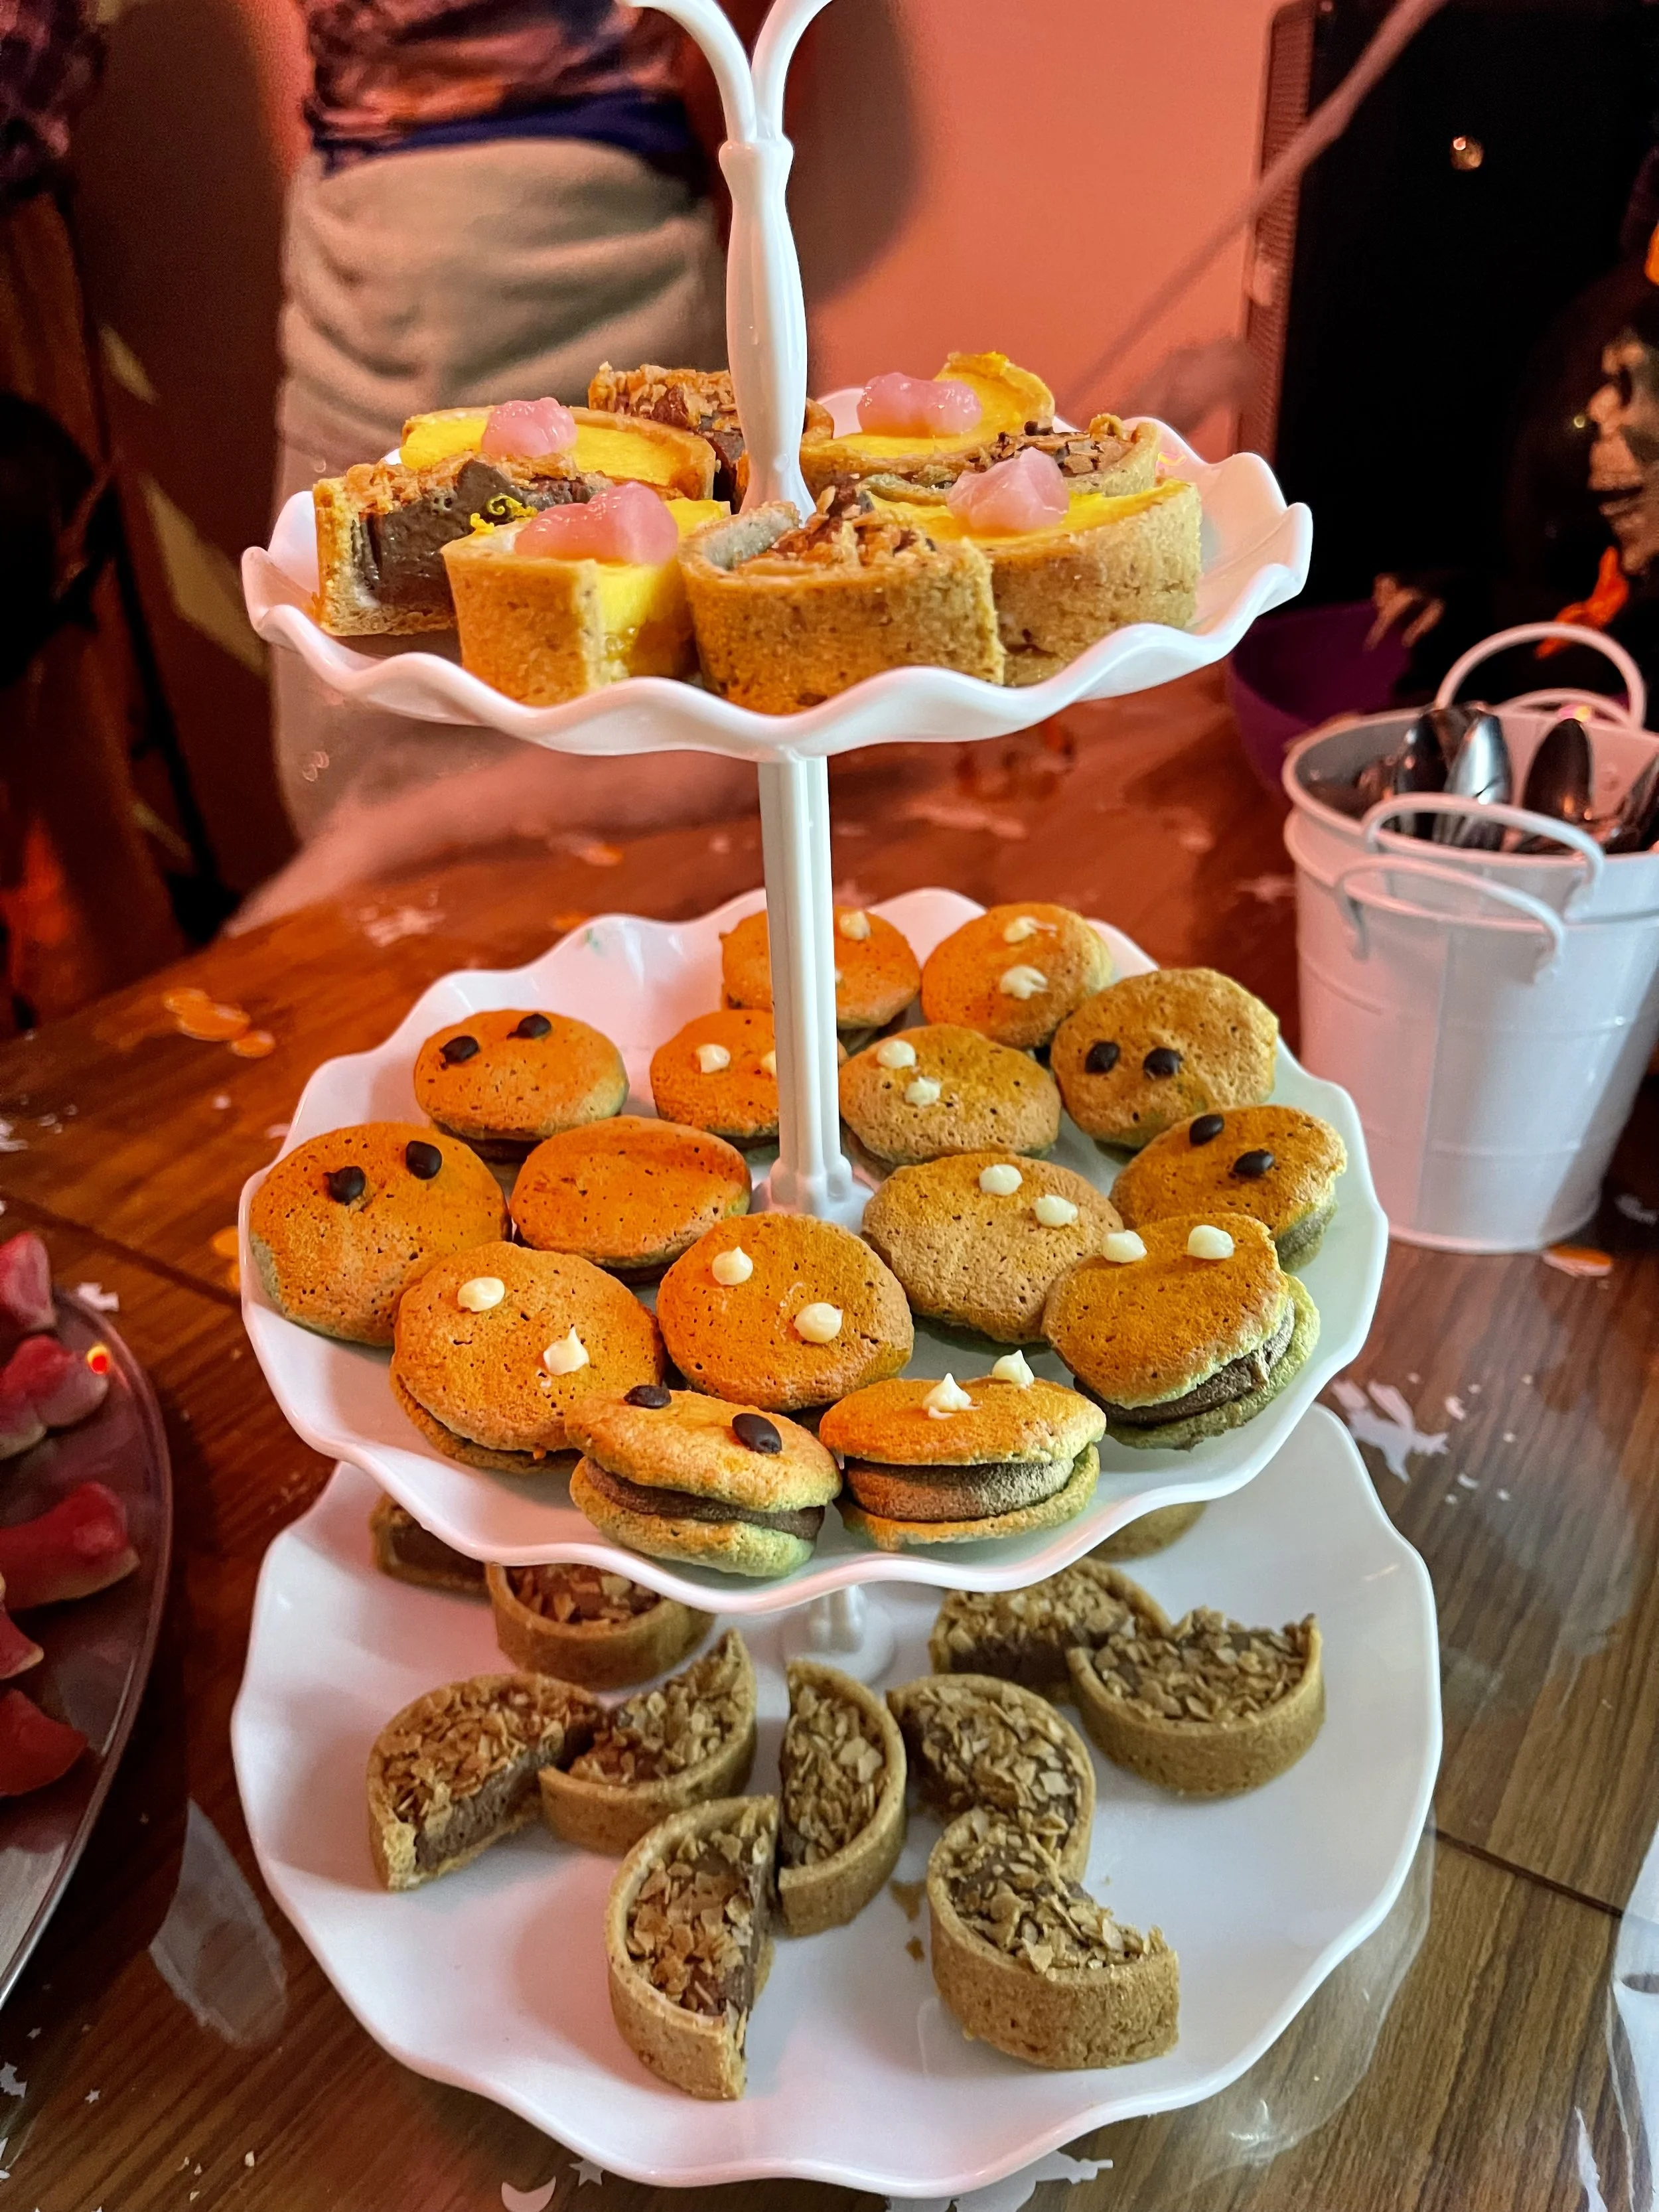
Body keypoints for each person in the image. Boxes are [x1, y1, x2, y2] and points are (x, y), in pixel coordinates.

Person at [252, 0, 751, 922]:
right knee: (377, 848)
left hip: (613, 244)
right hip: (359, 275)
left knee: (675, 800)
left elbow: (754, 45)